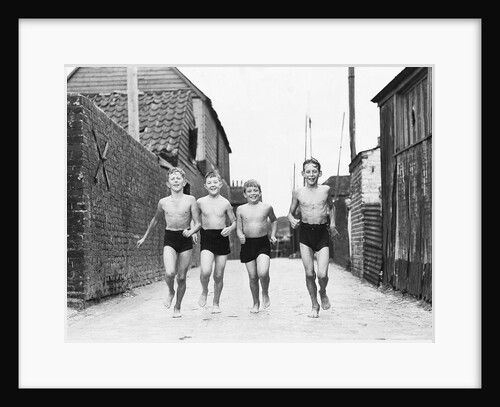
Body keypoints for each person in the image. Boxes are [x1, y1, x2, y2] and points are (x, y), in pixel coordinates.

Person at [136, 167, 201, 318]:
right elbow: (155, 220)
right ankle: (171, 291)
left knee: (182, 277)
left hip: (185, 238)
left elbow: (198, 223)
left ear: (184, 182)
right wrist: (144, 237)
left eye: (179, 178)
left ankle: (177, 306)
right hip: (170, 237)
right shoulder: (163, 202)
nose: (176, 181)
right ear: (168, 184)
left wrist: (192, 232)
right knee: (170, 272)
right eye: (173, 179)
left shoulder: (190, 200)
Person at [287, 157, 339, 318]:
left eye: (314, 171)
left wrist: (332, 224)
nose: (311, 174)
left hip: (322, 233)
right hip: (305, 233)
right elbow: (290, 212)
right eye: (308, 171)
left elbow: (332, 207)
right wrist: (291, 220)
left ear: (319, 173)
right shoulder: (298, 192)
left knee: (322, 275)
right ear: (303, 173)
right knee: (310, 273)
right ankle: (314, 304)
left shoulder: (325, 190)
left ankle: (323, 292)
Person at [196, 171, 236, 314]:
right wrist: (193, 231)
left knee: (219, 274)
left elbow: (235, 222)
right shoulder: (200, 202)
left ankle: (216, 303)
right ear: (205, 186)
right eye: (209, 183)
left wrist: (230, 229)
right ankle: (204, 291)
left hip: (221, 237)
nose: (213, 185)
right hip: (207, 236)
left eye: (215, 182)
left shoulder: (225, 203)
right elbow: (194, 218)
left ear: (220, 184)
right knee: (205, 271)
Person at [236, 179, 278, 313]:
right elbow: (238, 227)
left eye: (255, 191)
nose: (252, 193)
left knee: (263, 272)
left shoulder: (266, 207)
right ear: (244, 194)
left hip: (262, 243)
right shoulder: (241, 209)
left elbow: (274, 220)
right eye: (249, 191)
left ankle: (265, 292)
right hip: (248, 244)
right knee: (253, 277)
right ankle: (255, 302)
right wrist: (240, 235)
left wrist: (273, 234)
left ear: (260, 193)